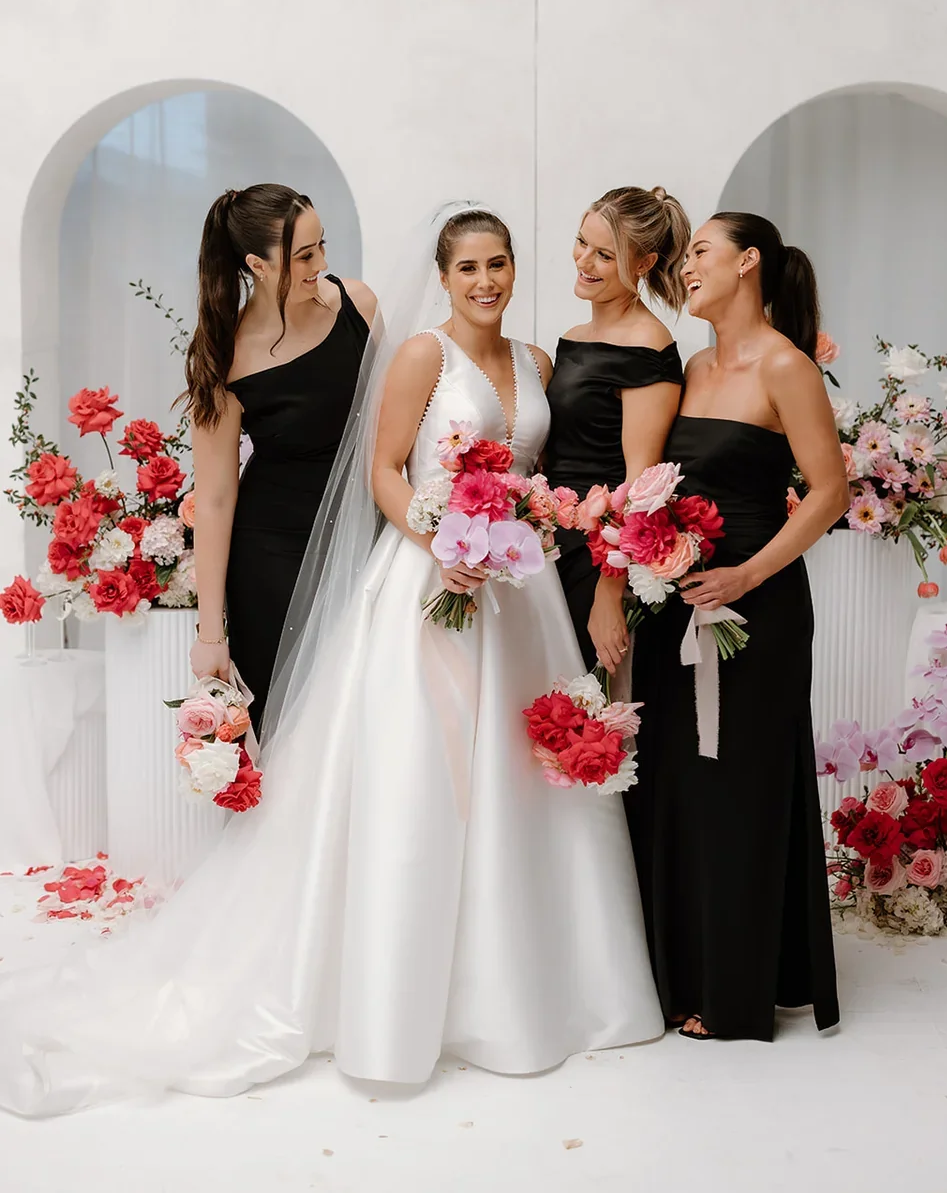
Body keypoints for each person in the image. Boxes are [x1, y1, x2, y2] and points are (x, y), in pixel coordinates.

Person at [0, 204, 661, 1117]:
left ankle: (531, 982)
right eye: (468, 266)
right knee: (419, 773)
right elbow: (382, 469)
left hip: (521, 595)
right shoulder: (421, 355)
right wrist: (437, 535)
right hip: (429, 581)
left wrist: (537, 520)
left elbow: (536, 472)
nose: (485, 281)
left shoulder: (537, 362)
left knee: (517, 774)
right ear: (443, 273)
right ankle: (398, 994)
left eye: (499, 263)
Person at [626, 211, 848, 1042]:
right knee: (682, 789)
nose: (687, 268)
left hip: (756, 608)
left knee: (741, 790)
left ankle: (737, 992)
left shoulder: (785, 365)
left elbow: (828, 491)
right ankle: (684, 976)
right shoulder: (692, 364)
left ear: (749, 262)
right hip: (678, 602)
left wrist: (748, 576)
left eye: (701, 253)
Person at [184, 183, 376, 732]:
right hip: (274, 562)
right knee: (292, 729)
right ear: (257, 265)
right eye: (304, 256)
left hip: (367, 539)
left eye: (321, 247)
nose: (321, 264)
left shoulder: (358, 305)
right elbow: (217, 499)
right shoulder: (226, 354)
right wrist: (209, 636)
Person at [545, 186, 688, 676]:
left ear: (644, 262)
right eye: (581, 242)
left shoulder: (648, 346)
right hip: (554, 542)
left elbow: (642, 483)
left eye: (604, 254)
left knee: (592, 703)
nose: (583, 260)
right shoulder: (573, 338)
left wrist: (609, 590)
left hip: (598, 556)